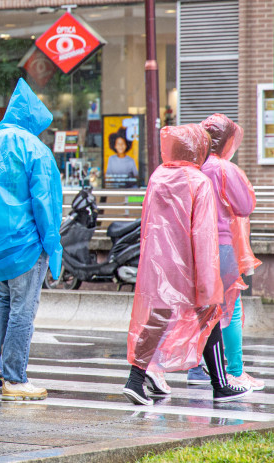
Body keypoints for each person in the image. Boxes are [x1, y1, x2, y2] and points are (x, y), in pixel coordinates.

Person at [122, 124, 251, 406]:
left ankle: (135, 379)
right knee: (212, 314)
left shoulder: (158, 176)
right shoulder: (197, 181)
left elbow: (149, 225)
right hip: (190, 266)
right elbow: (203, 235)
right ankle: (221, 384)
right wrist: (208, 282)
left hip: (160, 265)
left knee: (158, 318)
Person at [0, 78, 63, 401]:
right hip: (26, 245)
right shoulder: (37, 150)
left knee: (5, 302)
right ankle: (15, 379)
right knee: (23, 310)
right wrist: (54, 248)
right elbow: (46, 205)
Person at [199, 114, 264, 391]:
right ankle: (234, 371)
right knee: (229, 308)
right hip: (223, 245)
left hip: (195, 247)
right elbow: (245, 205)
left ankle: (196, 368)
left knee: (200, 309)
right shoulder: (225, 169)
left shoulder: (192, 166)